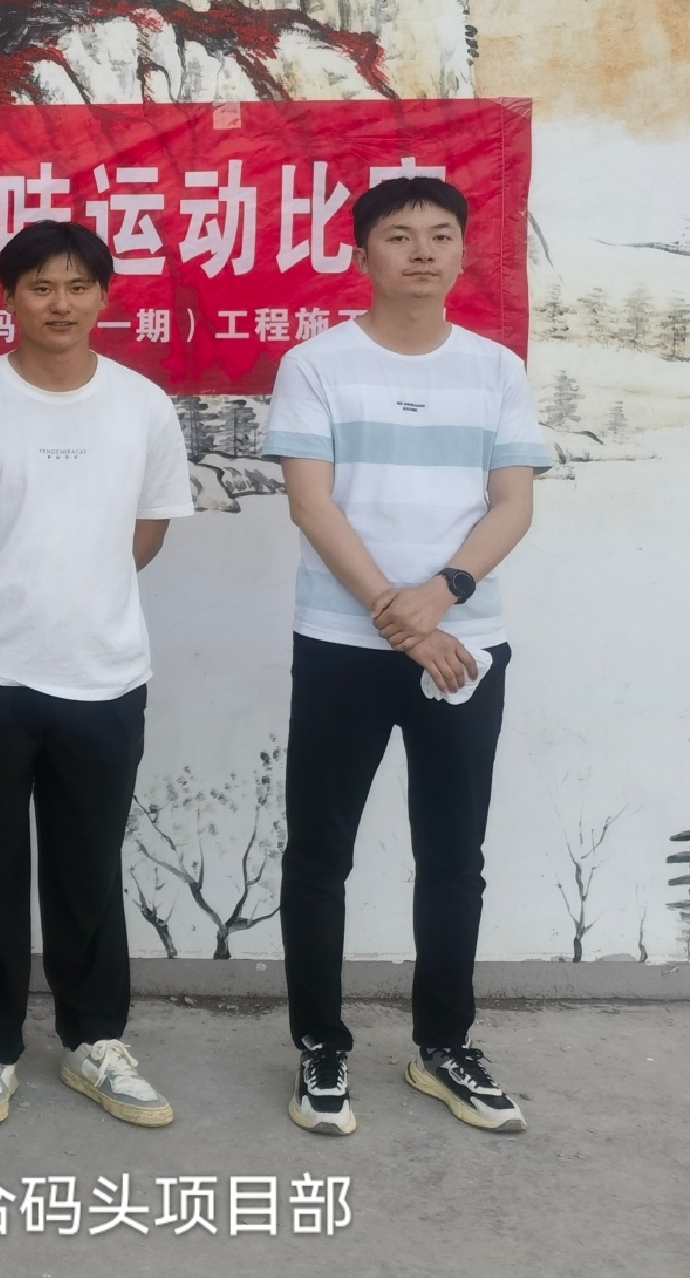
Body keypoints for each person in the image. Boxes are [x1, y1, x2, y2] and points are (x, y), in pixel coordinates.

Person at [264, 175, 547, 1136]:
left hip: (467, 648)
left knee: (453, 855)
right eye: (399, 235)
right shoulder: (316, 364)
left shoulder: (495, 370)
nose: (422, 251)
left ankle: (444, 1047)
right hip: (342, 644)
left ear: (464, 252)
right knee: (320, 853)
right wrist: (405, 619)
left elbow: (513, 502)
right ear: (362, 255)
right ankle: (320, 1046)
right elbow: (313, 505)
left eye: (440, 234)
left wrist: (446, 596)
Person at [0, 220, 193, 1131]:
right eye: (40, 286)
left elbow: (147, 533)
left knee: (88, 869)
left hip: (103, 676)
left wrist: (83, 591)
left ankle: (94, 1040)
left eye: (79, 286)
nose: (60, 303)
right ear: (8, 298)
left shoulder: (141, 406)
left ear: (105, 297)